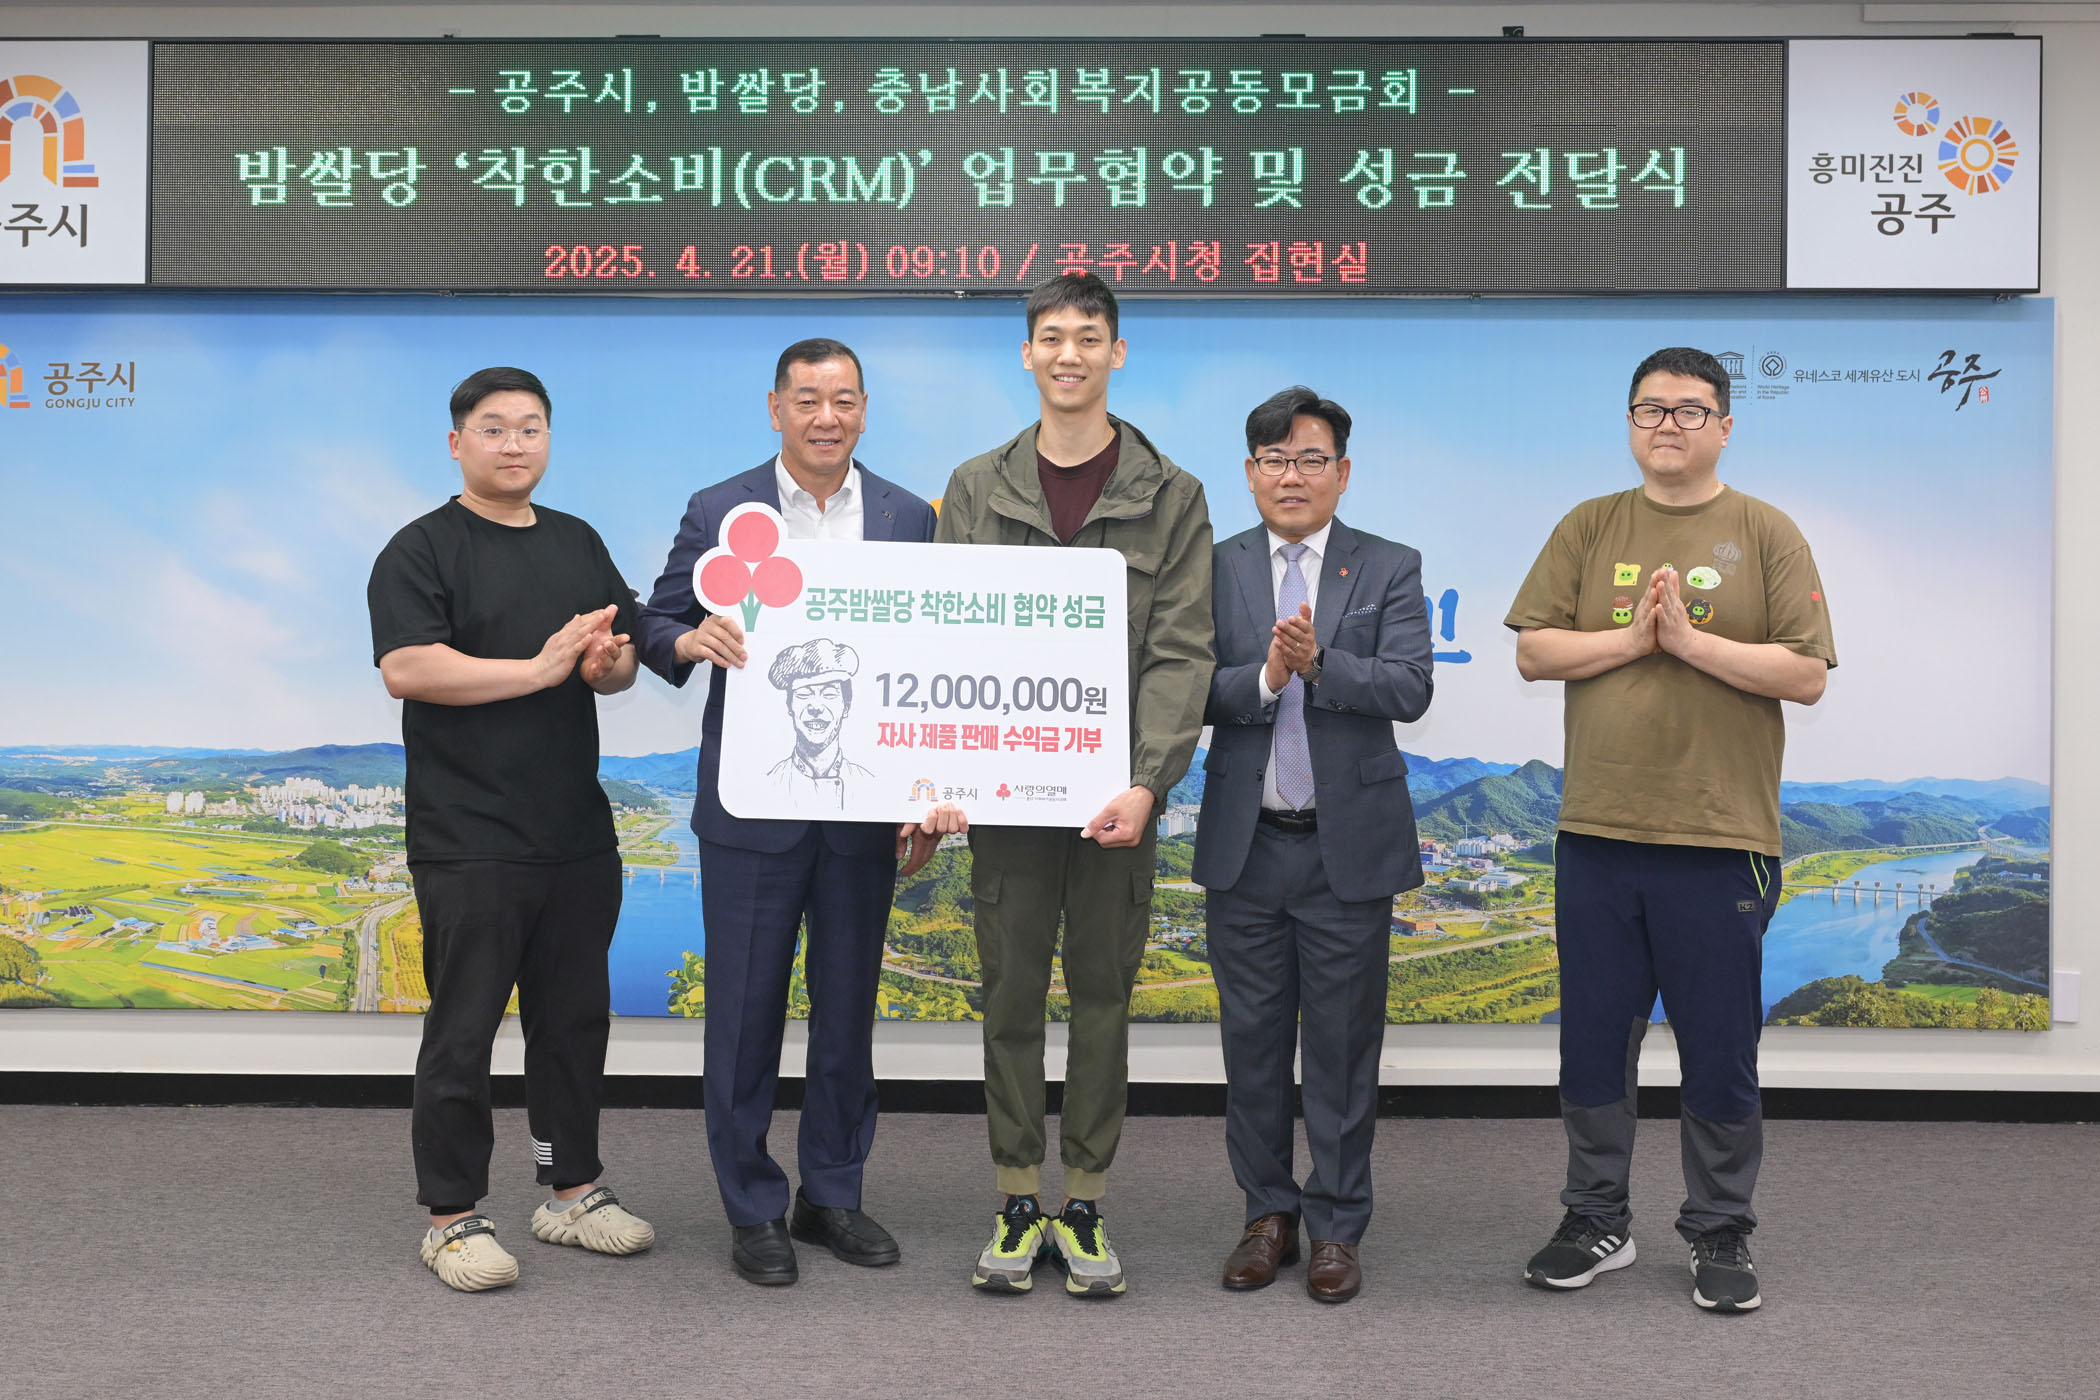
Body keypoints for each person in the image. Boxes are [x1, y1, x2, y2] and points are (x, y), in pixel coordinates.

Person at [1504, 346, 1836, 1314]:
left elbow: (1806, 673)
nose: (1668, 424)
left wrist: (1691, 642)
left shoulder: (1766, 531)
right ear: (1629, 423)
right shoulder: (1590, 524)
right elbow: (1533, 651)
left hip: (1721, 838)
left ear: (1724, 426)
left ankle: (1720, 1225)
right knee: (1592, 1044)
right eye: (1650, 408)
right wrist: (1635, 639)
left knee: (1719, 1048)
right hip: (1598, 831)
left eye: (1691, 410)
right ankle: (1595, 1216)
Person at [928, 273, 1213, 1298]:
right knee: (1007, 998)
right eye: (1051, 336)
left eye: (1089, 337)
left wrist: (1148, 783)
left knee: (1101, 1002)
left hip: (1111, 806)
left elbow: (1182, 649)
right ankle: (1016, 1198)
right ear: (1027, 353)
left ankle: (1084, 1201)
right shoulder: (975, 486)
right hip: (1004, 801)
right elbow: (940, 639)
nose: (1069, 354)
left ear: (1117, 353)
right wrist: (943, 773)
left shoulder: (1171, 493)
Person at [635, 338, 938, 1287]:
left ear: (864, 410)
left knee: (847, 1016)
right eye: (807, 399)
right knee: (744, 1018)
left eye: (844, 400)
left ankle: (831, 1195)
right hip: (750, 812)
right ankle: (754, 1207)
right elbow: (653, 621)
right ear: (776, 409)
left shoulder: (909, 517)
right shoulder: (720, 509)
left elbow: (929, 664)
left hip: (861, 809)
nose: (826, 418)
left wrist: (921, 792)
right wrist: (688, 639)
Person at [367, 365, 656, 1293]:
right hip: (469, 832)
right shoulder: (421, 548)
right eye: (494, 429)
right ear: (458, 443)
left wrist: (606, 665)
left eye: (531, 427)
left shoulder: (577, 540)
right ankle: (451, 1219)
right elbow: (408, 667)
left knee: (572, 1024)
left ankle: (570, 1192)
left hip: (575, 828)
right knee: (463, 1032)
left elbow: (619, 663)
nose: (514, 443)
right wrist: (536, 670)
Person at [1194, 387, 1433, 1304]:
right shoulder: (1215, 566)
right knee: (1252, 1047)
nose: (1291, 475)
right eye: (1274, 460)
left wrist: (1321, 662)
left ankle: (1336, 1226)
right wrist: (1264, 676)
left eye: (1309, 459)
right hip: (1246, 844)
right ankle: (1267, 1216)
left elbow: (1410, 686)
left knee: (1340, 1050)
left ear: (1342, 471)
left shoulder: (1389, 565)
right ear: (1250, 473)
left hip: (1348, 850)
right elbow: (1184, 687)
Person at [763, 639, 873, 808]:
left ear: (846, 707)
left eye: (829, 694)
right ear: (789, 706)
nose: (816, 707)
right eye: (803, 694)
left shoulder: (869, 785)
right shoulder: (768, 785)